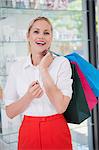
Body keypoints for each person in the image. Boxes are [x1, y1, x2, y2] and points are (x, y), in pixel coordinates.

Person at [4, 16, 73, 150]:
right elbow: (10, 112)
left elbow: (60, 107)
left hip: (56, 130)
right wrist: (28, 97)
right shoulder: (17, 67)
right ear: (28, 36)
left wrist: (43, 69)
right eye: (36, 31)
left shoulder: (62, 63)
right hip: (28, 131)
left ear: (51, 38)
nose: (41, 36)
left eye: (46, 33)